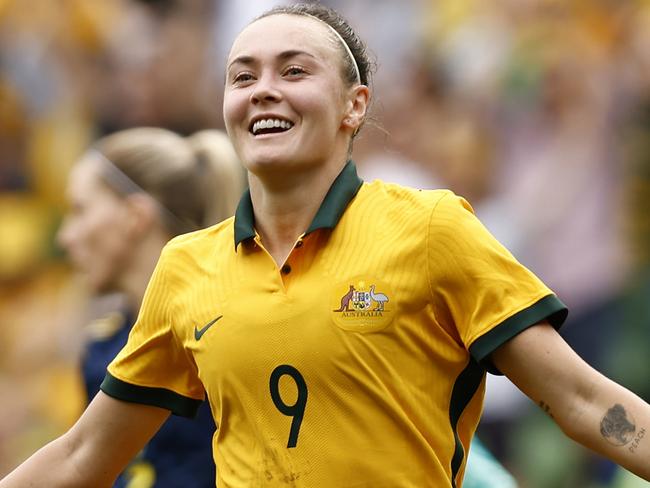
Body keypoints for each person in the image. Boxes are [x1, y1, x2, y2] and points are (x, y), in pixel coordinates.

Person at [2, 4, 650, 487]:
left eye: (294, 71)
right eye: (242, 76)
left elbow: (584, 401)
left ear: (353, 106)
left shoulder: (430, 230)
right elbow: (85, 454)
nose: (263, 89)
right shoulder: (187, 267)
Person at [54, 127, 245, 487]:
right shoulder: (101, 349)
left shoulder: (221, 333)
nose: (65, 236)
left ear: (135, 216)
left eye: (80, 210)